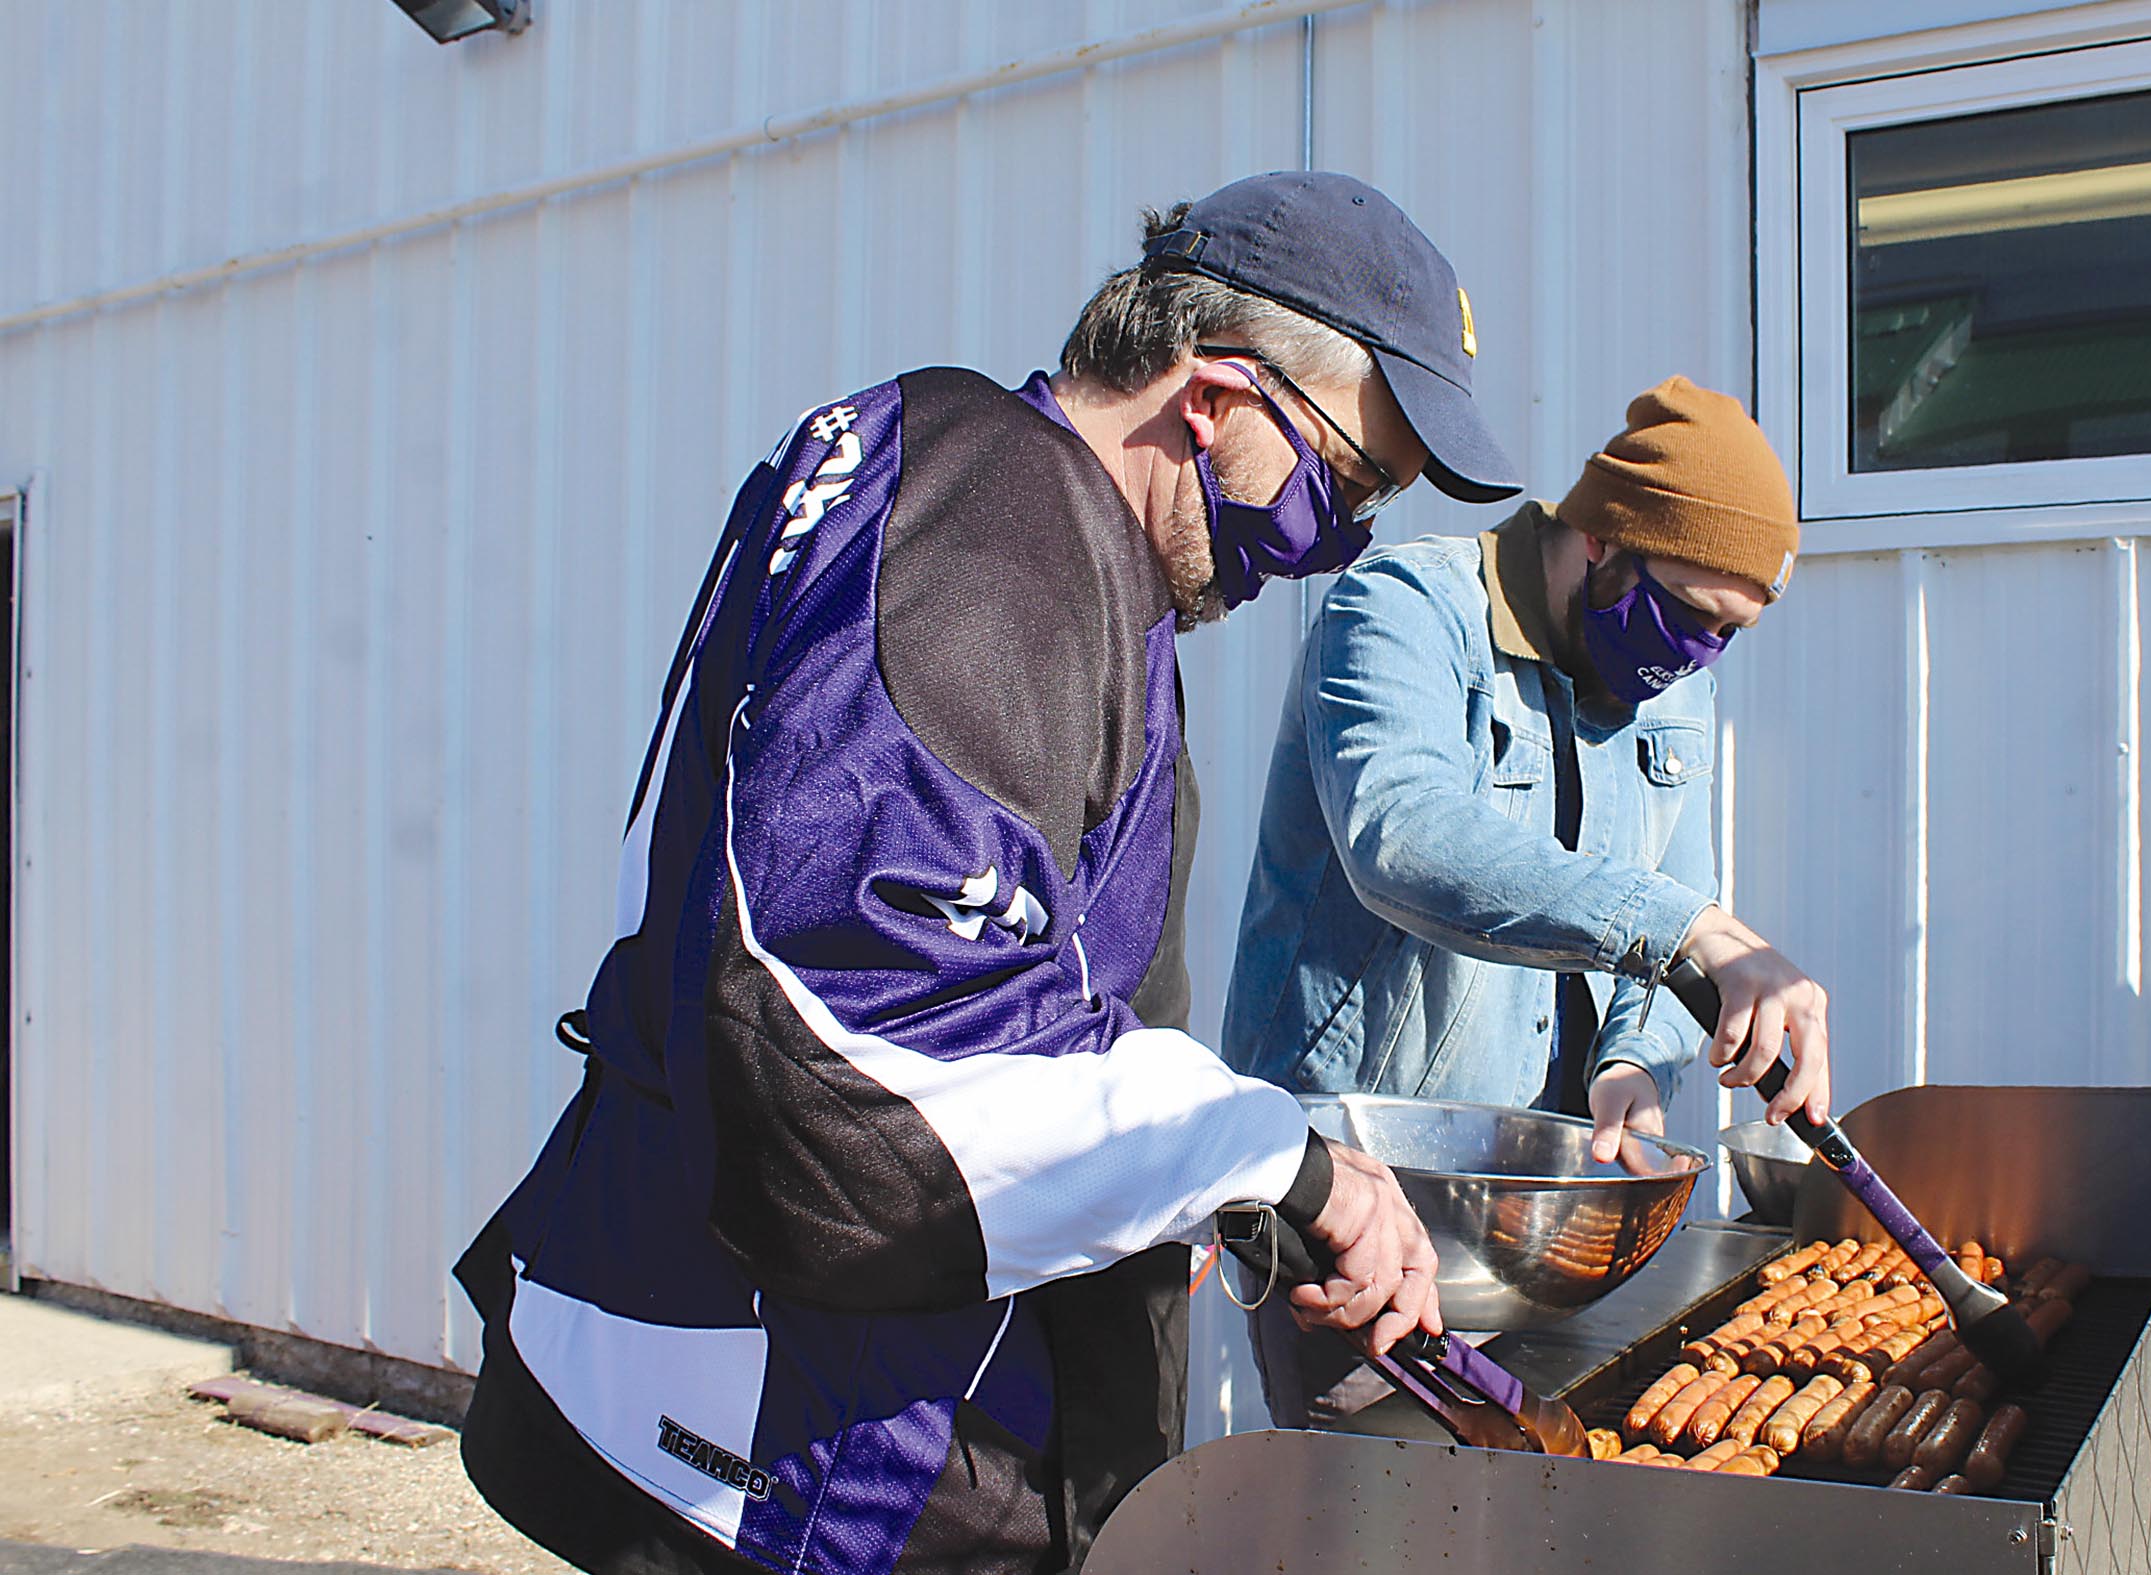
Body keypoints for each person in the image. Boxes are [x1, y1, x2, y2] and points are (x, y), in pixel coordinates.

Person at [454, 171, 1521, 1575]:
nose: (1337, 543)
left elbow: (1033, 992)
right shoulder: (994, 531)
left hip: (831, 1378)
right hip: (813, 1441)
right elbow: (870, 1052)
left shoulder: (1035, 527)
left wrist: (1190, 1192)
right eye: (1348, 482)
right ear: (1213, 398)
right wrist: (1280, 1161)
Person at [1218, 375, 1834, 1427]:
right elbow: (1404, 836)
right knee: (1378, 1511)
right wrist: (1690, 933)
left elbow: (1679, 893)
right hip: (1367, 1193)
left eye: (1731, 633)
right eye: (1688, 615)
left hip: (1545, 1215)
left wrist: (1634, 1064)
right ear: (1601, 536)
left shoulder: (1669, 690)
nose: (1698, 654)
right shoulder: (1404, 613)